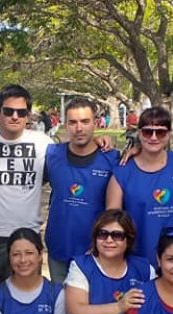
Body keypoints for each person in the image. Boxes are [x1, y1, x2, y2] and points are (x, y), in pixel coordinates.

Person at [0, 85, 55, 294]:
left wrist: (101, 142)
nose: (15, 116)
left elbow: (70, 162)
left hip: (27, 235)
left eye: (21, 112)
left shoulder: (43, 143)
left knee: (26, 302)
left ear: (28, 115)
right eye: (8, 111)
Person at [45, 97, 118, 283]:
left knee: (92, 310)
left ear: (95, 122)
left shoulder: (112, 159)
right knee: (61, 309)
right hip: (59, 250)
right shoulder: (52, 155)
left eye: (85, 121)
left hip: (96, 253)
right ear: (65, 125)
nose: (79, 128)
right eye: (73, 122)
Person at [107, 107, 173, 260]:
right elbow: (111, 222)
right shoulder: (122, 172)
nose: (153, 137)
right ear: (139, 133)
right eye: (147, 132)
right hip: (139, 262)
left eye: (160, 132)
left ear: (169, 134)